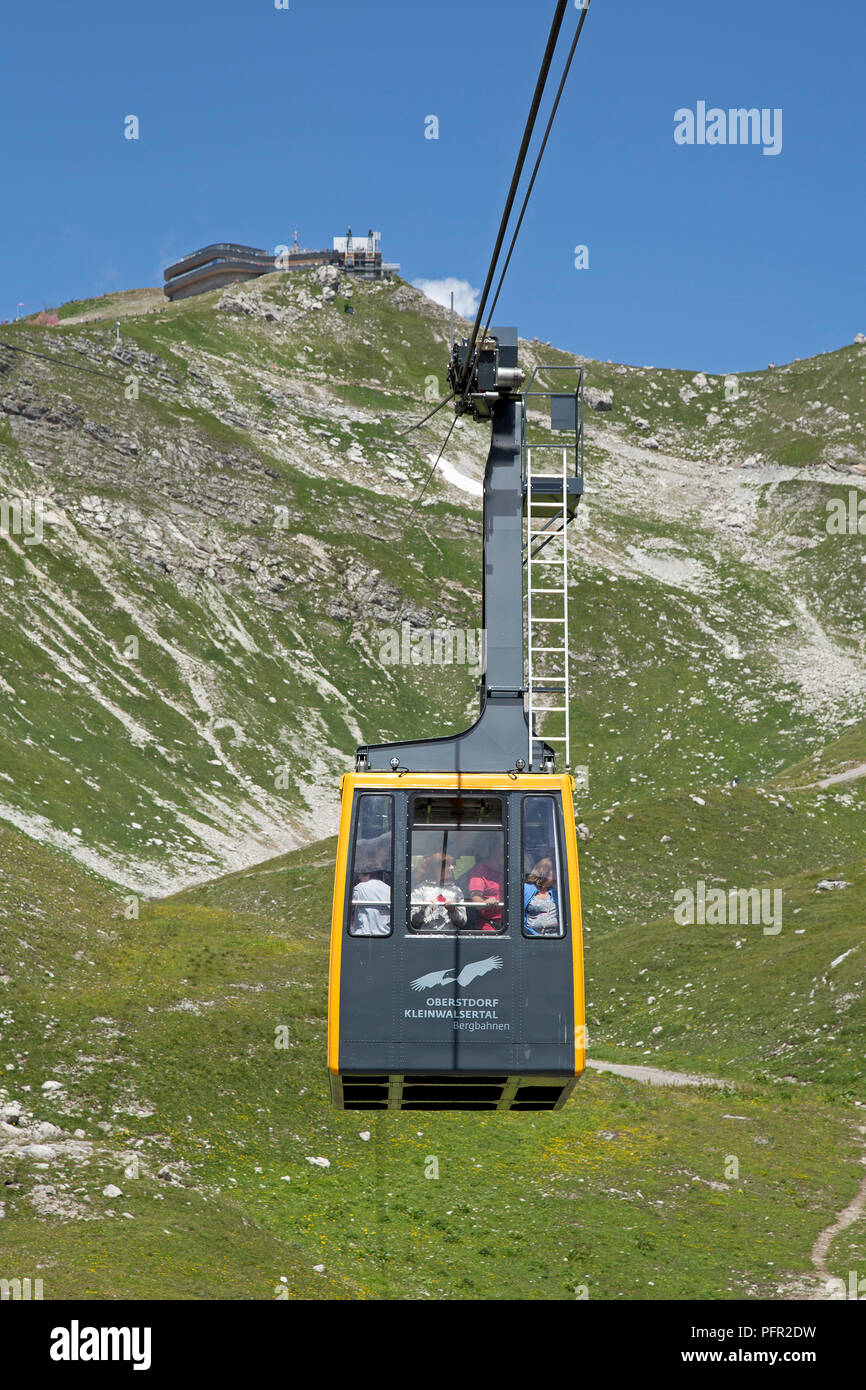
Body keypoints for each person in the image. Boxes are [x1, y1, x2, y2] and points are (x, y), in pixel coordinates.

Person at [410, 853, 467, 932]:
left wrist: (453, 911)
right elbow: (414, 922)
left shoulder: (456, 890)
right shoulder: (420, 889)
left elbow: (462, 922)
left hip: (450, 938)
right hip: (426, 938)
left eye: (452, 864)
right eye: (448, 865)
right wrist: (422, 908)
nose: (452, 867)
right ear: (437, 868)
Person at [467, 837, 505, 932]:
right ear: (492, 851)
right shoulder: (480, 870)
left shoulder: (507, 869)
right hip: (490, 925)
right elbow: (476, 900)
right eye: (501, 848)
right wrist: (487, 902)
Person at [523, 858, 560, 937]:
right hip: (531, 937)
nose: (556, 875)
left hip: (555, 937)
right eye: (554, 872)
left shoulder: (555, 893)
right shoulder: (526, 889)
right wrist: (533, 934)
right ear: (544, 872)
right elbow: (518, 915)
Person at [349, 869, 391, 936]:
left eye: (360, 876)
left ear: (368, 875)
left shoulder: (360, 888)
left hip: (362, 933)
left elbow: (347, 905)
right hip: (385, 932)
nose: (359, 878)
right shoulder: (388, 889)